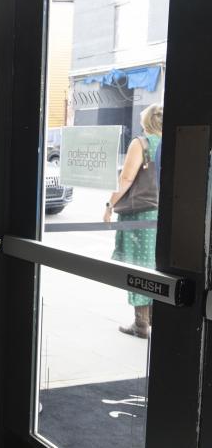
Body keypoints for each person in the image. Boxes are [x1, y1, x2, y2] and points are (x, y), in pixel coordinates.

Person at [104, 103, 163, 339]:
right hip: (160, 214)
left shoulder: (142, 143)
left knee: (138, 267)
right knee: (156, 267)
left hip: (139, 214)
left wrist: (109, 205)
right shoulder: (169, 142)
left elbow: (127, 178)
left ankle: (141, 324)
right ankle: (157, 320)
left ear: (146, 122)